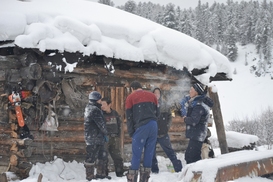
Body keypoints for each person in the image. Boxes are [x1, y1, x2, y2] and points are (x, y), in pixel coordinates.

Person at [125, 81, 160, 182]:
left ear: (132, 89)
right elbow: (158, 112)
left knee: (136, 154)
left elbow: (129, 117)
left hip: (141, 127)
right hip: (153, 125)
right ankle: (144, 179)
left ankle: (132, 178)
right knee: (149, 153)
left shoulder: (130, 98)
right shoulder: (152, 96)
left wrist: (131, 132)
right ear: (141, 87)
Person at [180, 83, 214, 164]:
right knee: (189, 156)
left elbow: (194, 120)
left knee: (192, 157)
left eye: (191, 89)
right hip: (197, 134)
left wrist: (185, 119)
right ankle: (195, 174)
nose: (190, 91)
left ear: (196, 92)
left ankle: (197, 174)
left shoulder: (199, 105)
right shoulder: (197, 102)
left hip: (197, 134)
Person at [151, 88, 182, 173]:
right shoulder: (149, 105)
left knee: (170, 152)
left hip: (163, 133)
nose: (156, 94)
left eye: (158, 93)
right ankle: (154, 170)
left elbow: (170, 116)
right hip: (152, 134)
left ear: (160, 95)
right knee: (151, 153)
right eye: (155, 93)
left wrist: (166, 127)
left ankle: (178, 168)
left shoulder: (165, 105)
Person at [83, 91, 110, 181]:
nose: (100, 101)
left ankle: (99, 175)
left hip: (92, 137)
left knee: (98, 155)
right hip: (95, 137)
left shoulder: (89, 108)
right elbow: (101, 124)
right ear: (96, 100)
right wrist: (106, 132)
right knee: (94, 156)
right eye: (99, 99)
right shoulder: (95, 110)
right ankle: (92, 175)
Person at [101, 97, 124, 177]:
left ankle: (120, 173)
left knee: (117, 157)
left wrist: (118, 135)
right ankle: (104, 174)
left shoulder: (115, 113)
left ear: (109, 104)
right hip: (105, 138)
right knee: (104, 157)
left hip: (114, 138)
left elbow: (119, 125)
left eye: (104, 104)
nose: (102, 106)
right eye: (101, 104)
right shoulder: (101, 114)